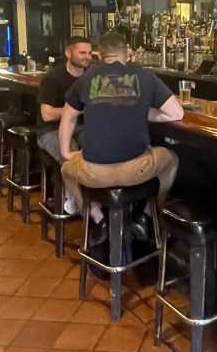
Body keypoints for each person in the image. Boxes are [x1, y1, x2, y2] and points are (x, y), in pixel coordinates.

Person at [58, 31, 184, 231]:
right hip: (137, 169)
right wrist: (145, 111)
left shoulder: (86, 78)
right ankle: (148, 216)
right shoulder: (144, 76)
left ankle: (97, 218)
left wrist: (66, 152)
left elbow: (68, 116)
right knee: (172, 160)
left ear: (100, 55)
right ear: (127, 53)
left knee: (66, 169)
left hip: (94, 173)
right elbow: (176, 113)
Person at [36, 35, 92, 163]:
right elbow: (47, 115)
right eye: (82, 53)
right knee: (72, 159)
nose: (87, 57)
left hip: (83, 127)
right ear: (68, 53)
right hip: (51, 130)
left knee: (98, 149)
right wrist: (75, 110)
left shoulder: (91, 76)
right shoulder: (52, 78)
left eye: (89, 53)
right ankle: (67, 183)